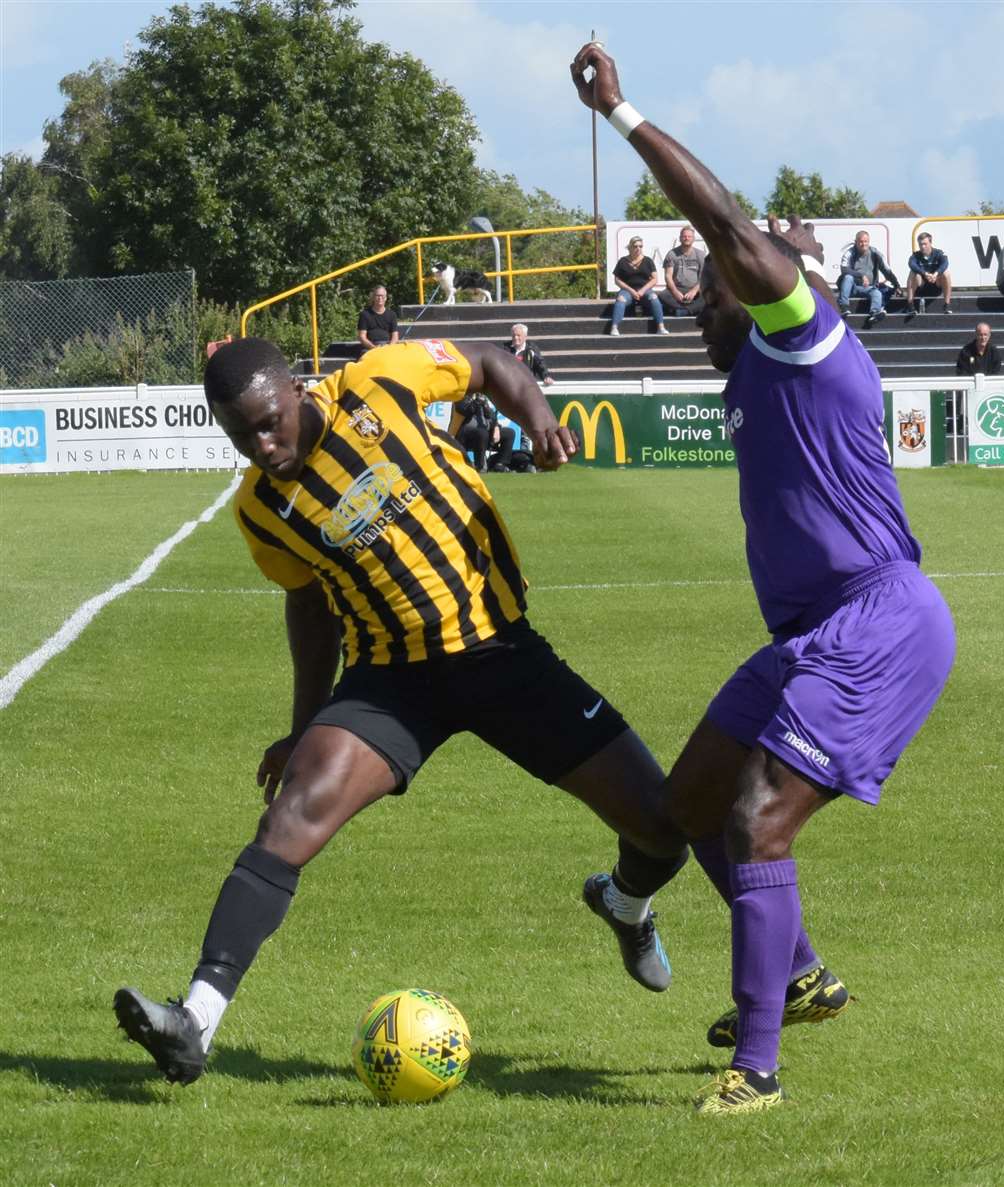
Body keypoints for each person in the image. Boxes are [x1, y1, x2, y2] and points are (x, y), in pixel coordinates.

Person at [112, 334, 691, 1085]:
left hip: (502, 655)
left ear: (296, 389)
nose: (260, 444)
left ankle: (624, 902)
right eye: (238, 435)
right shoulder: (262, 511)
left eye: (267, 421)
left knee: (663, 827)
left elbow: (488, 364)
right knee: (290, 817)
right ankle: (194, 1020)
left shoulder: (382, 381)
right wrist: (302, 728)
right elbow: (311, 607)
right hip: (392, 680)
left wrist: (539, 417)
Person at [572, 42, 955, 1118]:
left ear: (781, 286)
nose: (702, 290)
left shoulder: (807, 338)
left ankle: (760, 1064)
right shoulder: (750, 369)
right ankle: (799, 971)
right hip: (813, 631)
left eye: (722, 281)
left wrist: (623, 111)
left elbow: (735, 233)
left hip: (880, 619)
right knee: (683, 801)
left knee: (755, 820)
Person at [837, 230, 902, 326]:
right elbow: (844, 269)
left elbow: (886, 270)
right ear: (856, 242)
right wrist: (861, 276)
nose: (863, 244)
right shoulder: (849, 253)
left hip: (867, 287)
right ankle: (844, 306)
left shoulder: (875, 253)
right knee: (848, 277)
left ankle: (874, 313)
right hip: (852, 287)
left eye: (866, 241)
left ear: (869, 241)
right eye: (861, 242)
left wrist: (897, 285)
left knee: (877, 293)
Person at [609, 235, 669, 335]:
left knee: (654, 297)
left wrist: (642, 290)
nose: (638, 248)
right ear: (630, 247)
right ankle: (614, 327)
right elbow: (617, 280)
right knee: (620, 299)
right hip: (627, 291)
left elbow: (655, 279)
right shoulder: (622, 261)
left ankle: (661, 327)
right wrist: (631, 291)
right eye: (635, 246)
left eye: (640, 246)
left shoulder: (648, 261)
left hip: (645, 291)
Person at [658, 225, 706, 317]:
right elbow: (668, 276)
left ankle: (684, 311)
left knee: (708, 297)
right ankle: (691, 309)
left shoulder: (700, 255)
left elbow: (703, 276)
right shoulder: (672, 254)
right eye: (684, 236)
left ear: (693, 239)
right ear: (680, 238)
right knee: (662, 296)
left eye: (689, 236)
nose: (686, 238)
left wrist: (694, 291)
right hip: (677, 288)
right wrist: (675, 292)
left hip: (694, 289)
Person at [904, 231, 953, 314]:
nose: (922, 246)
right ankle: (910, 305)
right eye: (920, 244)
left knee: (946, 273)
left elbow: (945, 263)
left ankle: (947, 305)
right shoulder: (915, 255)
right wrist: (925, 273)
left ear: (930, 243)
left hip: (936, 284)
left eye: (925, 244)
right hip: (921, 285)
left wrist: (936, 274)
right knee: (912, 272)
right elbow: (911, 264)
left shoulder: (939, 253)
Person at [454, 389, 497, 471]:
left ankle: (500, 464)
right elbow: (464, 411)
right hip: (463, 432)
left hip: (483, 429)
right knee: (482, 433)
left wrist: (496, 427)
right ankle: (480, 466)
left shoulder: (482, 398)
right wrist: (476, 402)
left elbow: (491, 416)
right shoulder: (461, 396)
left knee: (509, 433)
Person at [355, 285, 399, 354]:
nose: (380, 298)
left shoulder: (392, 315)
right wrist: (373, 348)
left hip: (387, 347)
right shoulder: (364, 314)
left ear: (386, 298)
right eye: (377, 295)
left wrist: (389, 348)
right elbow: (362, 336)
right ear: (373, 297)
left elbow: (395, 337)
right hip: (370, 348)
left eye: (382, 296)